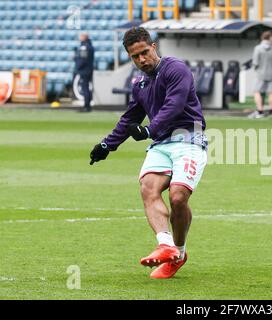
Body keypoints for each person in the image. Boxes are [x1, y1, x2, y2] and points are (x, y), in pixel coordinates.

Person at [89, 27, 208, 279]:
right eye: (135, 56)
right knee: (148, 188)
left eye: (144, 52)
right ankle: (165, 244)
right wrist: (106, 145)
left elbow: (173, 106)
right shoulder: (140, 83)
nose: (142, 59)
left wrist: (149, 129)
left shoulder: (176, 69)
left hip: (189, 139)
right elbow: (129, 118)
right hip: (161, 145)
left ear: (153, 46)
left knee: (177, 197)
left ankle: (179, 252)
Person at [249, 31, 272, 119]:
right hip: (271, 73)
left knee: (256, 91)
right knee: (271, 92)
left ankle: (260, 111)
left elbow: (255, 62)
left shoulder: (258, 48)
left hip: (260, 73)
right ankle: (271, 111)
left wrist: (257, 70)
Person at [74, 33, 95, 112]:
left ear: (84, 37)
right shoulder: (90, 46)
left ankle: (86, 106)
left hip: (84, 70)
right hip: (89, 69)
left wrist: (77, 67)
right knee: (87, 87)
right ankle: (88, 105)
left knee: (85, 87)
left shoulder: (84, 47)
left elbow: (83, 59)